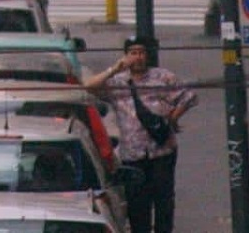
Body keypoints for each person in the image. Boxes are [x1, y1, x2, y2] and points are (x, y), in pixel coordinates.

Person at [84, 35, 197, 233]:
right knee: (137, 206)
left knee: (163, 202)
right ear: (126, 56)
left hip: (162, 151)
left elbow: (188, 96)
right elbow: (90, 86)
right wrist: (115, 68)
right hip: (132, 155)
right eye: (133, 53)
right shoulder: (118, 82)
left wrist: (172, 118)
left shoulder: (162, 77)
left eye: (142, 52)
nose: (138, 57)